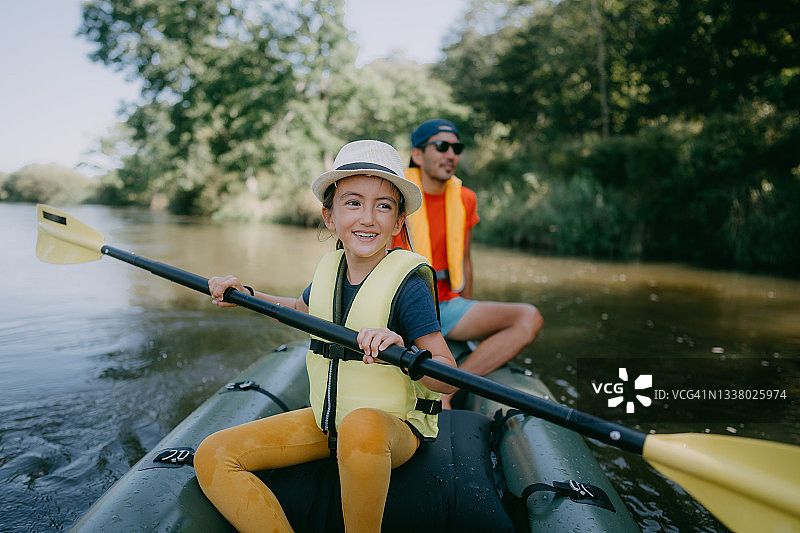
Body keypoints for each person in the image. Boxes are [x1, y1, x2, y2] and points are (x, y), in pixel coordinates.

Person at [194, 140, 457, 533]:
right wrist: (245, 295)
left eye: (383, 205)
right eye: (353, 203)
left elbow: (448, 378)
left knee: (361, 425)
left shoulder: (410, 283)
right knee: (215, 453)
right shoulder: (329, 269)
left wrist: (403, 349)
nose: (368, 217)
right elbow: (296, 313)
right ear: (329, 216)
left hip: (394, 428)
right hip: (327, 421)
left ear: (398, 222)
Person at [392, 119, 543, 406]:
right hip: (406, 309)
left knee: (529, 317)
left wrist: (469, 307)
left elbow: (465, 260)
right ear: (418, 154)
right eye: (442, 146)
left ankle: (452, 386)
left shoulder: (465, 198)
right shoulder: (398, 196)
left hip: (449, 306)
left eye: (456, 148)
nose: (451, 154)